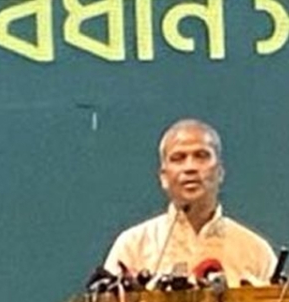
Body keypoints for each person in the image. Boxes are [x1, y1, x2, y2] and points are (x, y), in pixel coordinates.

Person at [101, 118, 277, 287]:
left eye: (201, 156)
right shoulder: (133, 246)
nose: (190, 167)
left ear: (220, 172)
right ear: (163, 177)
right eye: (178, 158)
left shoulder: (256, 251)